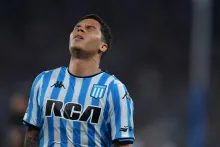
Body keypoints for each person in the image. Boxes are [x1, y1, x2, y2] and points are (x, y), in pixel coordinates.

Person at [23, 14, 135, 147]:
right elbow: (32, 135)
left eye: (90, 28)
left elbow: (123, 144)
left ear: (103, 46)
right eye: (77, 27)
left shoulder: (114, 89)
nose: (80, 30)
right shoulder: (43, 81)